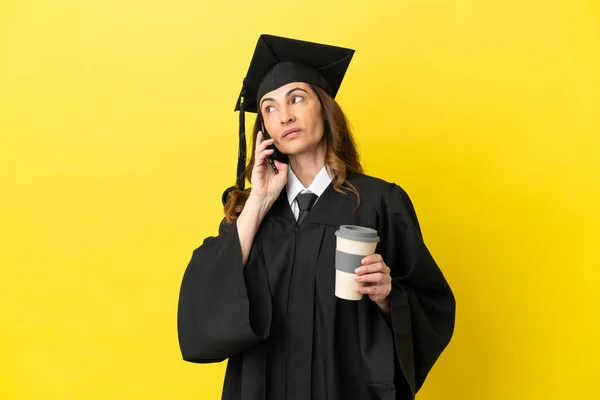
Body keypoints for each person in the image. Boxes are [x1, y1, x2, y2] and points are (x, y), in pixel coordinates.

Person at [177, 34, 456, 400]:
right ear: (263, 129)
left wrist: (390, 296)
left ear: (325, 108)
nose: (285, 116)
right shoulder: (249, 209)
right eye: (270, 108)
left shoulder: (379, 201)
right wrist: (259, 201)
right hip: (264, 388)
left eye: (296, 99)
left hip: (345, 387)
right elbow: (207, 298)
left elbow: (431, 305)